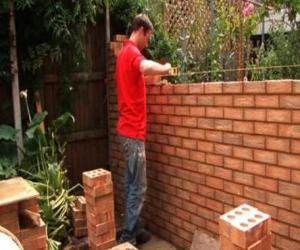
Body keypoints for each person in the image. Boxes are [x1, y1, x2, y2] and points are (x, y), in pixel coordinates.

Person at [116, 13, 172, 245]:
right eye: (148, 37)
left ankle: (133, 227)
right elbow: (145, 66)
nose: (148, 42)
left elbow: (138, 77)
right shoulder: (131, 53)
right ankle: (128, 236)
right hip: (133, 133)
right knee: (139, 187)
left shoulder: (122, 55)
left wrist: (155, 80)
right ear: (140, 30)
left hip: (126, 131)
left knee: (131, 185)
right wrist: (165, 68)